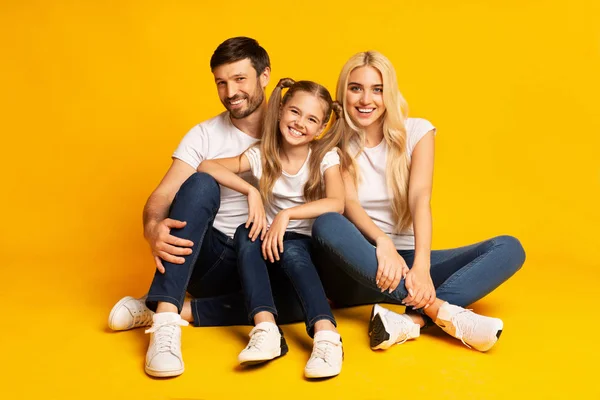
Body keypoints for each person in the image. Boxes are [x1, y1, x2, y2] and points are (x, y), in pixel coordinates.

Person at [107, 37, 304, 378]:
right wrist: (152, 227)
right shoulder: (204, 135)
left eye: (240, 79)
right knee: (200, 183)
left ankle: (166, 306)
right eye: (221, 83)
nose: (231, 92)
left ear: (265, 75)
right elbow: (161, 196)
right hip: (213, 259)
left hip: (266, 261)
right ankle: (167, 320)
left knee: (305, 300)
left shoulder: (294, 126)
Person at [312, 51, 526, 353]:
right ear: (343, 92)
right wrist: (382, 243)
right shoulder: (333, 144)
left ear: (390, 93)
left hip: (407, 265)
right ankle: (440, 311)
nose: (365, 99)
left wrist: (422, 267)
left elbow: (420, 197)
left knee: (509, 248)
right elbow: (349, 204)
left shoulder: (417, 132)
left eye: (377, 89)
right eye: (355, 88)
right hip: (358, 266)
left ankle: (409, 322)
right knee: (327, 223)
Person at [198, 78, 346, 378]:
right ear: (279, 111)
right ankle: (266, 329)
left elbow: (337, 203)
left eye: (311, 119)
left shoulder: (324, 156)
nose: (299, 123)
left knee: (291, 248)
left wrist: (287, 214)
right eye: (294, 112)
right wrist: (250, 191)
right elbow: (206, 166)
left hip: (306, 249)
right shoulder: (262, 154)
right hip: (270, 246)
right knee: (245, 232)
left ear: (320, 128)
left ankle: (327, 335)